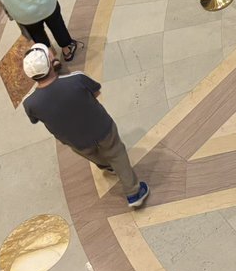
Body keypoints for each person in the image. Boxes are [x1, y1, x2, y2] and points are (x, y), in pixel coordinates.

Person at [21, 44, 149, 208]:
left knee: (93, 155)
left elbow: (35, 119)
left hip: (75, 140)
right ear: (51, 64)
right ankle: (134, 193)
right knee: (116, 153)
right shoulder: (76, 79)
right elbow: (96, 92)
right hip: (102, 128)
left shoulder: (30, 103)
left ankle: (107, 166)